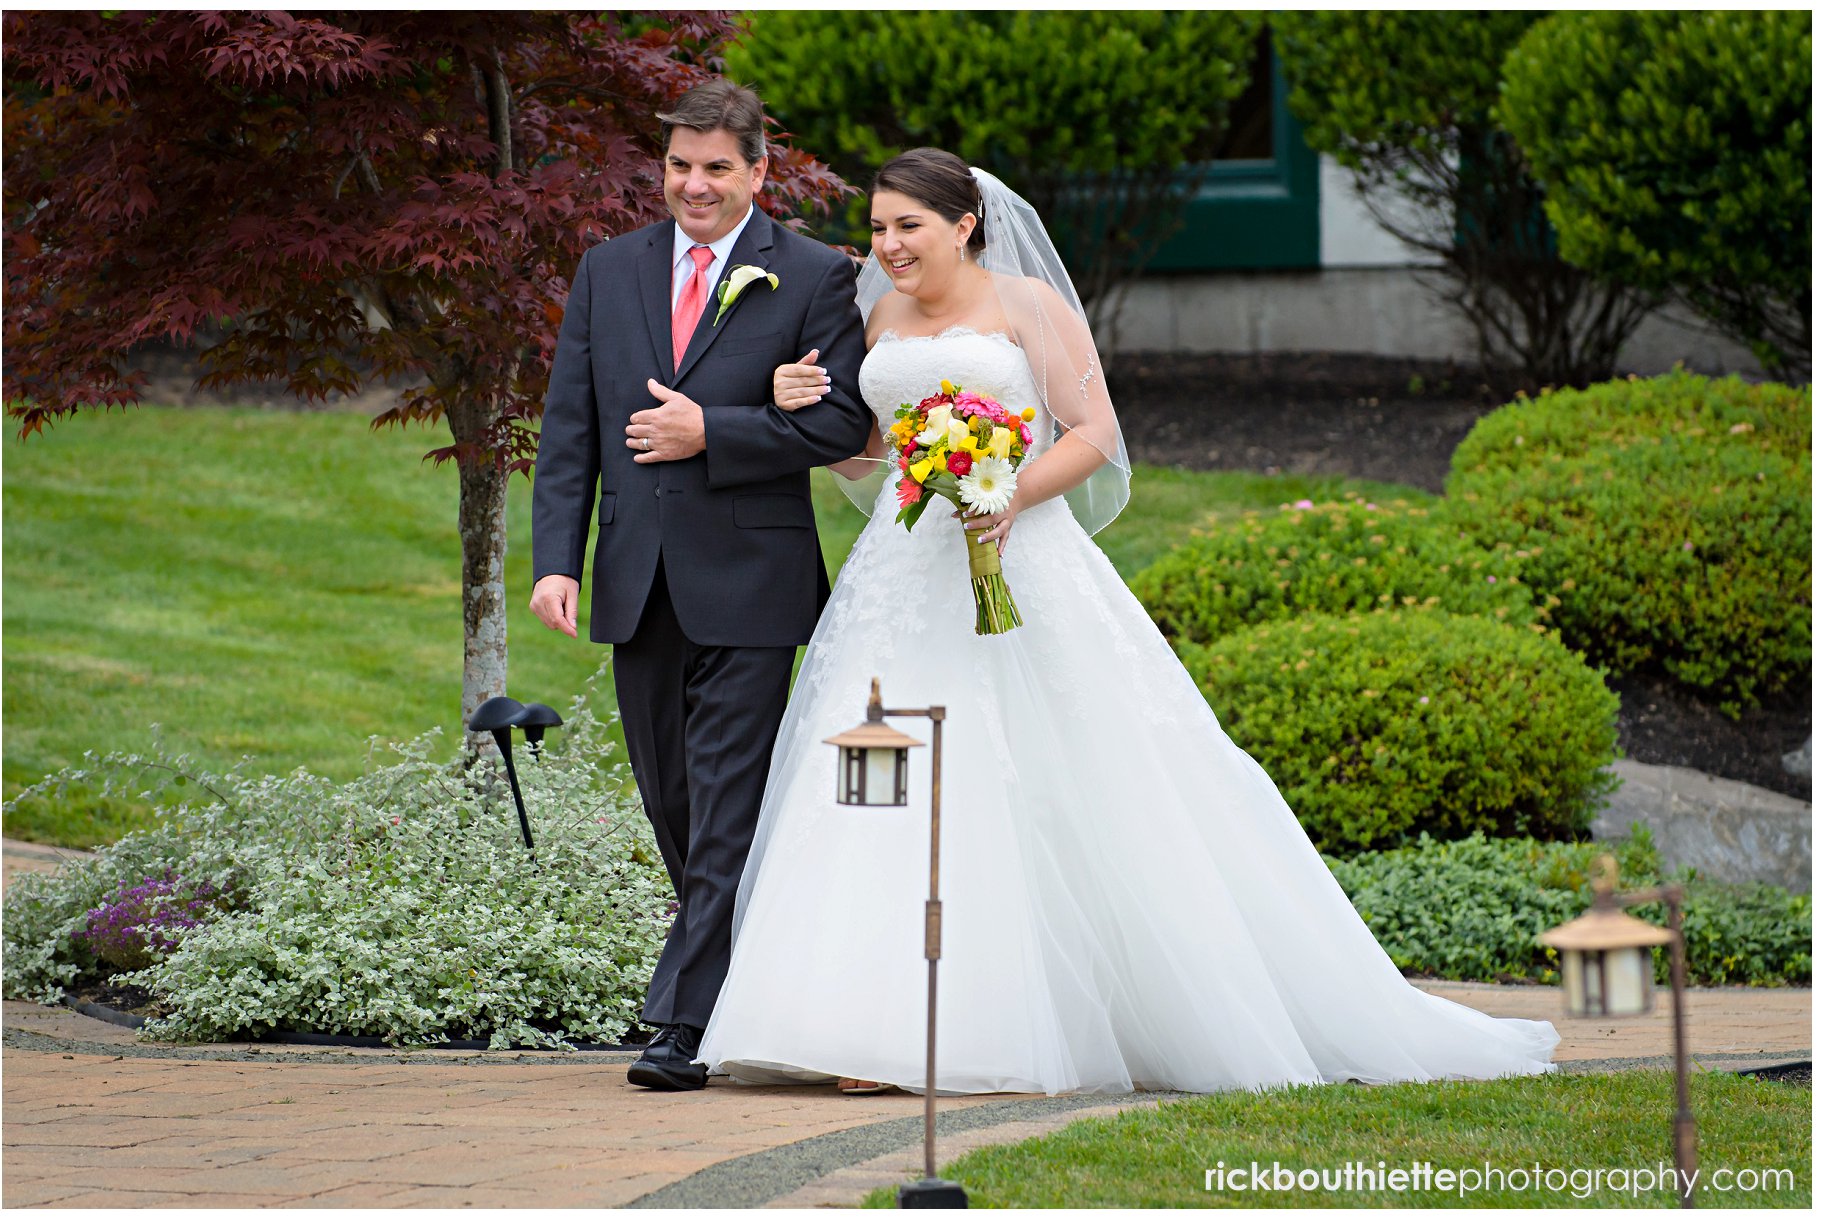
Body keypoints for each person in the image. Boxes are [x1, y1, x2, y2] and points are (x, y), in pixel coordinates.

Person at [695, 148, 1560, 1095]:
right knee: (884, 772)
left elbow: (1096, 433)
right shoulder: (875, 314)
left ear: (964, 225)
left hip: (1022, 558)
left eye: (907, 226)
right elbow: (865, 458)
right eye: (876, 229)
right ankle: (854, 1023)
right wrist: (804, 410)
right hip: (901, 578)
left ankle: (1023, 1020)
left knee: (1048, 775)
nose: (888, 246)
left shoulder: (1027, 304)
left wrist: (1009, 493)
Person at [529, 79, 872, 1092]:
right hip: (637, 579)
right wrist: (558, 557)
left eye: (718, 167)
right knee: (673, 802)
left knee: (724, 801)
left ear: (758, 172)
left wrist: (709, 431)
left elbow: (839, 426)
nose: (695, 184)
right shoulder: (608, 270)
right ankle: (742, 973)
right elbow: (570, 429)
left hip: (754, 579)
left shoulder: (811, 275)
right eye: (680, 165)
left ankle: (681, 1024)